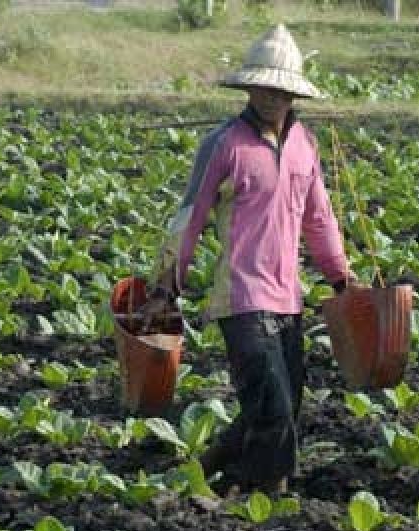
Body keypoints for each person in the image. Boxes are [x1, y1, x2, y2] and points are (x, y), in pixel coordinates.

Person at [139, 23, 359, 494]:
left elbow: (318, 217)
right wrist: (166, 287)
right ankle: (265, 497)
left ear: (292, 94)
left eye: (280, 90)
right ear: (250, 87)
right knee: (273, 407)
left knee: (281, 406)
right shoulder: (224, 145)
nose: (270, 97)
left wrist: (340, 277)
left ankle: (200, 473)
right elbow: (189, 217)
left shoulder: (305, 146)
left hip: (288, 297)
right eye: (263, 87)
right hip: (241, 295)